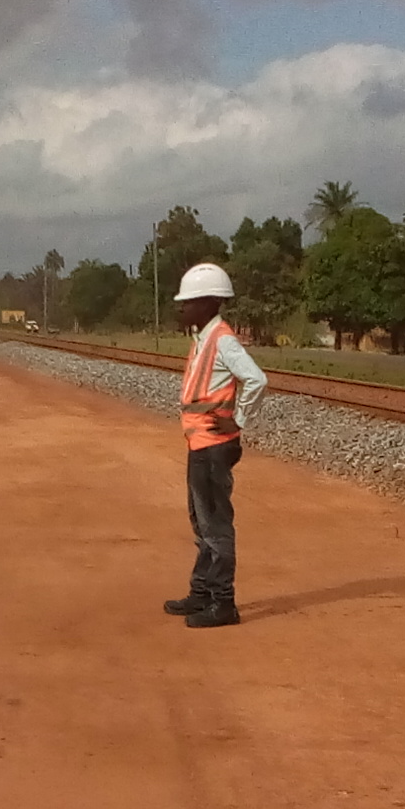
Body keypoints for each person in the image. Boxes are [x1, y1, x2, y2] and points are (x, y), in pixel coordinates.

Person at [163, 261, 268, 629]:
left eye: (189, 302)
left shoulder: (222, 339)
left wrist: (238, 419)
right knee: (201, 521)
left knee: (215, 525)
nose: (183, 308)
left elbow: (256, 379)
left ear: (209, 303)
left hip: (214, 445)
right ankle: (202, 592)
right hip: (200, 443)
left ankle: (223, 603)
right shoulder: (202, 339)